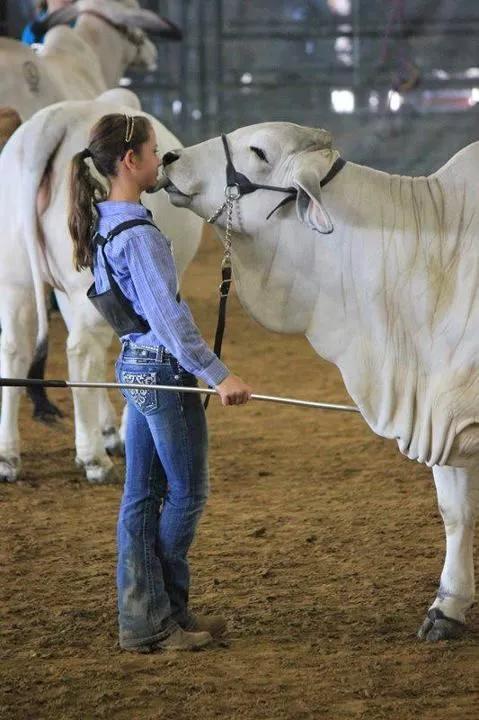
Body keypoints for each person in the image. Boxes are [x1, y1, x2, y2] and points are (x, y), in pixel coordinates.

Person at [68, 113, 252, 653]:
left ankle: (151, 618)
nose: (159, 162)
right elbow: (169, 321)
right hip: (163, 375)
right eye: (153, 153)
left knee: (142, 496)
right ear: (131, 161)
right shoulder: (141, 235)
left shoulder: (104, 222)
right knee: (187, 493)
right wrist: (219, 375)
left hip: (135, 369)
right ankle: (162, 616)